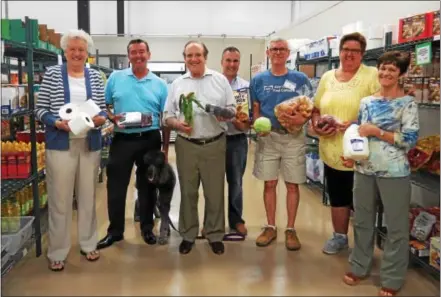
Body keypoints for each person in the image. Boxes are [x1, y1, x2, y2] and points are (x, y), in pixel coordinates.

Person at [342, 51, 418, 297]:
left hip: (394, 172)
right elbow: (360, 136)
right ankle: (359, 266)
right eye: (383, 69)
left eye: (392, 70)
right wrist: (351, 155)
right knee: (362, 221)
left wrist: (378, 131)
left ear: (401, 74)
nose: (385, 74)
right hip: (364, 170)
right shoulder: (366, 102)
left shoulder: (407, 103)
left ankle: (393, 278)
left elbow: (409, 139)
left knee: (396, 227)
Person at [35, 29, 107, 271]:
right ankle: (57, 251)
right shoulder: (53, 74)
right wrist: (56, 122)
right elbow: (40, 109)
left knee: (88, 198)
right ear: (65, 51)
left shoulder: (95, 76)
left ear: (87, 53)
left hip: (89, 144)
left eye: (81, 50)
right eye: (72, 49)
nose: (77, 53)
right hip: (60, 145)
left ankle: (88, 244)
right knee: (60, 199)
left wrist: (101, 119)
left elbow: (103, 109)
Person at [311, 32, 381, 255]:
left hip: (363, 150)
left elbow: (382, 110)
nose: (349, 54)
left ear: (362, 54)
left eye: (355, 51)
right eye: (346, 50)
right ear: (339, 52)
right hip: (332, 148)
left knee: (363, 201)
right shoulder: (328, 77)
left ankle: (363, 245)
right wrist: (318, 123)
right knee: (338, 195)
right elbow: (316, 109)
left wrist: (354, 123)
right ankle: (339, 237)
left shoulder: (372, 75)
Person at [164, 40, 236, 255]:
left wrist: (221, 111)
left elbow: (233, 110)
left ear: (205, 56)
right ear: (184, 58)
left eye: (198, 55)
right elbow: (167, 116)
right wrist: (176, 124)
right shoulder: (177, 84)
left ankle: (214, 234)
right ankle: (188, 234)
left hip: (214, 143)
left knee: (214, 192)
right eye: (189, 55)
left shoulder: (220, 80)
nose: (193, 59)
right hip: (186, 145)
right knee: (188, 192)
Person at [97, 39, 170, 249]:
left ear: (149, 54)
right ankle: (115, 231)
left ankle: (147, 227)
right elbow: (105, 106)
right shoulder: (115, 78)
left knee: (148, 186)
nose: (138, 56)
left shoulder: (159, 84)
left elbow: (165, 117)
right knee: (116, 186)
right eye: (133, 52)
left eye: (141, 52)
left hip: (150, 138)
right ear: (128, 56)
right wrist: (112, 117)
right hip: (122, 139)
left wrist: (164, 148)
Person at [251, 37, 313, 251]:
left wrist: (301, 120)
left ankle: (291, 229)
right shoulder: (258, 80)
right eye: (274, 49)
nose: (278, 52)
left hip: (294, 138)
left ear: (288, 54)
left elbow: (309, 107)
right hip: (268, 138)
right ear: (268, 53)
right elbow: (256, 109)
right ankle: (270, 226)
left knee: (292, 184)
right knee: (269, 183)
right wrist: (259, 129)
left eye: (282, 49)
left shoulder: (300, 78)